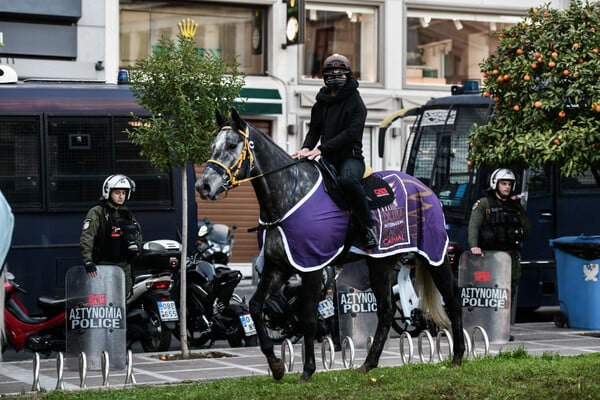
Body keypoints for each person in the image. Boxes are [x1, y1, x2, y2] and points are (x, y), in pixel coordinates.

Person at [292, 53, 377, 248]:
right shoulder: (320, 103)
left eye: (340, 73)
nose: (335, 76)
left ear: (348, 75)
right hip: (327, 157)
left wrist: (321, 149)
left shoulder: (356, 102)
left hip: (350, 157)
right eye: (331, 73)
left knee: (348, 180)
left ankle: (368, 228)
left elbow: (351, 134)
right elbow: (314, 130)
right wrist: (305, 148)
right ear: (324, 76)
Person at [468, 168, 532, 327]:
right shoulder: (484, 204)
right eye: (504, 183)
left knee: (508, 291)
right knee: (487, 290)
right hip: (489, 256)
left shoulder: (515, 206)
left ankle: (502, 327)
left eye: (510, 184)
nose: (507, 187)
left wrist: (518, 222)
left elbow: (528, 229)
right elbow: (473, 226)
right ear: (495, 184)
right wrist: (474, 246)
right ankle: (483, 323)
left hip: (510, 256)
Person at [80, 174, 143, 296]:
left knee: (124, 302)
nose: (121, 196)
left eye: (124, 193)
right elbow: (87, 237)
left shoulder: (126, 213)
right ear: (108, 192)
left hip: (124, 266)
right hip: (103, 266)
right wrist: (88, 261)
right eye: (117, 193)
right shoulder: (97, 212)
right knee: (104, 300)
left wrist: (137, 248)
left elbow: (138, 233)